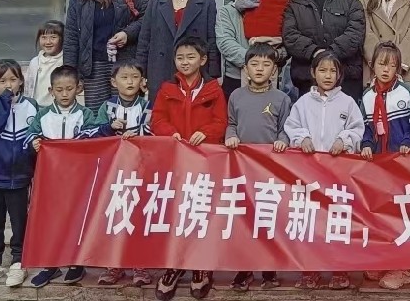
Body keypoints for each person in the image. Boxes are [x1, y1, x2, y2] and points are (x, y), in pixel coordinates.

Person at [150, 37, 228, 301]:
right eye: (180, 57)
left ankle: (200, 267)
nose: (185, 62)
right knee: (175, 213)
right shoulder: (167, 88)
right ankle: (174, 266)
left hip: (205, 163)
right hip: (174, 162)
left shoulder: (214, 90)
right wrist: (169, 133)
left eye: (191, 57)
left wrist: (205, 133)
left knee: (201, 213)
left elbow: (221, 121)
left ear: (203, 60)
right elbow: (157, 119)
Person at [283, 51, 365, 291]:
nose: (327, 75)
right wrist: (302, 138)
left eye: (332, 71)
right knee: (311, 222)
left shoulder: (348, 102)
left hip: (338, 176)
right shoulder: (303, 103)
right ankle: (310, 270)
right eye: (322, 70)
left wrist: (344, 139)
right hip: (309, 176)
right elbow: (292, 126)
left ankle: (339, 270)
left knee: (336, 221)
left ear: (339, 74)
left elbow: (357, 128)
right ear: (313, 73)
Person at [27, 65, 103, 288]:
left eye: (69, 89)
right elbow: (29, 135)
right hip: (49, 179)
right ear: (51, 90)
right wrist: (35, 142)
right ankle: (50, 264)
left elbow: (94, 135)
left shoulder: (85, 114)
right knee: (50, 220)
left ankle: (76, 262)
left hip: (78, 178)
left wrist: (79, 142)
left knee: (76, 218)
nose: (64, 94)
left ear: (79, 88)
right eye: (59, 90)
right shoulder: (43, 115)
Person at [224, 43, 291, 292]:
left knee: (268, 218)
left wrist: (282, 141)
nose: (260, 69)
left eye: (266, 64)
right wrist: (231, 136)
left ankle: (269, 269)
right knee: (244, 219)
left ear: (274, 70)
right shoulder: (236, 96)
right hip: (242, 170)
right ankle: (244, 268)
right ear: (245, 68)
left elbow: (286, 128)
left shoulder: (282, 99)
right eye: (254, 64)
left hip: (270, 171)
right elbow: (231, 123)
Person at [0, 60, 39, 289]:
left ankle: (19, 261)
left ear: (21, 81)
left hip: (20, 176)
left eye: (13, 79)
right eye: (2, 81)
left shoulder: (32, 105)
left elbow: (39, 134)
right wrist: (4, 101)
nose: (8, 85)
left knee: (20, 220)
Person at [359, 43, 410, 290]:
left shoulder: (407, 93)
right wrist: (366, 144)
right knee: (379, 212)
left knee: (401, 215)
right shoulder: (366, 97)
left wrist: (408, 141)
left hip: (403, 165)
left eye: (392, 65)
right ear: (372, 65)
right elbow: (365, 128)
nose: (386, 70)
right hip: (377, 166)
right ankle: (383, 260)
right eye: (382, 64)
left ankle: (403, 267)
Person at [64, 0, 148, 110]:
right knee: (97, 115)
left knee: (126, 113)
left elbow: (148, 17)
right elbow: (71, 35)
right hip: (93, 67)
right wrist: (70, 72)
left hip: (125, 65)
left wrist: (127, 33)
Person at [92, 60, 153, 288]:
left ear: (142, 81)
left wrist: (137, 134)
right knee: (115, 217)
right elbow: (93, 134)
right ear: (113, 82)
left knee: (138, 217)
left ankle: (140, 265)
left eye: (135, 77)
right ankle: (113, 265)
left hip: (141, 171)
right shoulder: (106, 107)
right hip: (113, 172)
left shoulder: (148, 106)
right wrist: (109, 128)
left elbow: (155, 133)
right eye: (124, 77)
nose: (130, 82)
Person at [283, 0, 366, 99]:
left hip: (345, 76)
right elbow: (290, 35)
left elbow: (356, 31)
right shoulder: (297, 1)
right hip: (307, 77)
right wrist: (315, 53)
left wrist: (331, 54)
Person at [136, 0, 220, 97]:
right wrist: (140, 72)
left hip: (195, 70)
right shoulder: (155, 1)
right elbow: (144, 40)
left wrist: (213, 74)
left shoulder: (206, 0)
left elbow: (212, 40)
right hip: (160, 70)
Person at [216, 0, 262, 98]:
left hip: (267, 76)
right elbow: (225, 42)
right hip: (235, 77)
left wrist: (264, 64)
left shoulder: (270, 8)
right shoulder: (226, 11)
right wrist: (254, 62)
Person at [25, 20, 65, 107]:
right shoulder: (35, 62)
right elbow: (28, 87)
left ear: (62, 39)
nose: (48, 42)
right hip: (37, 107)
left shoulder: (65, 61)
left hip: (58, 108)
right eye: (44, 37)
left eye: (53, 37)